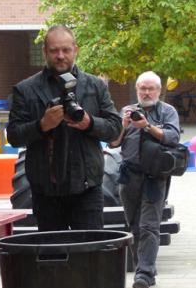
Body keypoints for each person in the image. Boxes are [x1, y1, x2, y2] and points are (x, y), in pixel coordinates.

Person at [7, 25, 122, 231]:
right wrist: (42, 125)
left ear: (75, 50)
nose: (60, 56)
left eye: (66, 50)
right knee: (53, 257)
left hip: (88, 188)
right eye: (54, 50)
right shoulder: (25, 90)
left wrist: (90, 123)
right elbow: (14, 136)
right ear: (45, 52)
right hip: (46, 192)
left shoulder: (95, 86)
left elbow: (115, 129)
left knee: (90, 255)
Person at [109, 71, 181, 288]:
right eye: (142, 88)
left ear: (159, 91)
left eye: (151, 89)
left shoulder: (167, 111)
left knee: (149, 225)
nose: (146, 92)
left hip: (154, 177)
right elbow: (113, 143)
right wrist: (123, 123)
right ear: (137, 90)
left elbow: (173, 137)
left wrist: (147, 127)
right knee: (134, 226)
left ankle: (143, 273)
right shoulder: (127, 111)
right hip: (128, 176)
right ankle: (146, 268)